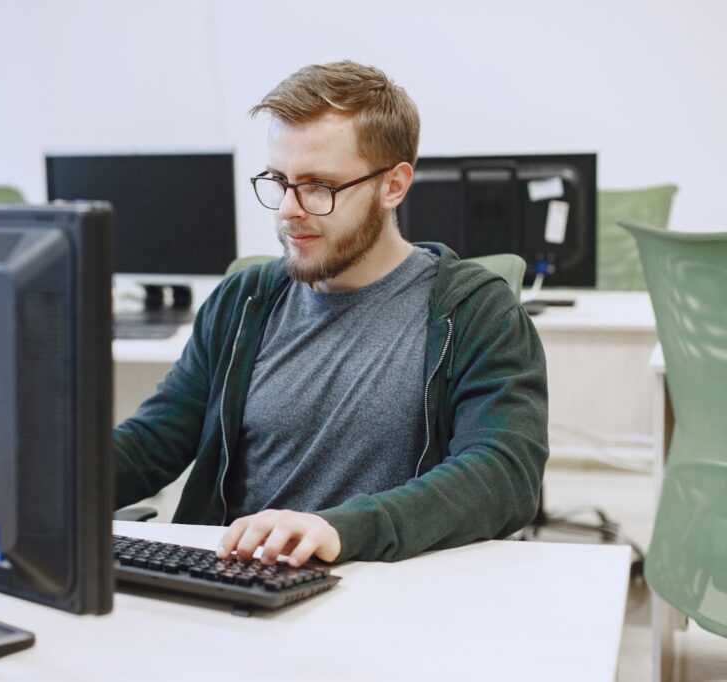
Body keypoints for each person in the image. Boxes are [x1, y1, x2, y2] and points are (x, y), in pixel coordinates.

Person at [113, 61, 548, 567]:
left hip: (391, 592)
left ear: (394, 186)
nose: (288, 211)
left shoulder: (474, 310)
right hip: (241, 584)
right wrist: (38, 477)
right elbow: (153, 442)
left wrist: (338, 529)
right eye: (279, 181)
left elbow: (503, 475)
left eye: (319, 186)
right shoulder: (243, 301)